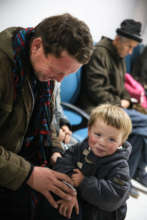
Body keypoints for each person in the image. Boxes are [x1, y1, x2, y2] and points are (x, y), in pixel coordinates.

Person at [0, 13, 93, 219]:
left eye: (66, 74)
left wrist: (56, 151)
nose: (59, 80)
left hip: (29, 157)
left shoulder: (44, 73)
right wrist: (29, 174)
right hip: (10, 168)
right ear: (37, 46)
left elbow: (47, 120)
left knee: (85, 201)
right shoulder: (4, 68)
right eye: (56, 70)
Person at [77, 19, 147, 198]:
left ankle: (130, 174)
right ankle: (130, 175)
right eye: (129, 47)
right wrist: (120, 103)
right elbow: (95, 90)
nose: (131, 51)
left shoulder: (120, 57)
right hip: (97, 107)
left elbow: (121, 88)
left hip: (113, 105)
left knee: (141, 131)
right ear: (118, 39)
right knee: (145, 124)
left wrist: (128, 101)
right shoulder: (100, 52)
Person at [51, 104, 132, 220]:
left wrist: (84, 182)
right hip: (79, 203)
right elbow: (63, 162)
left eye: (112, 139)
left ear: (121, 142)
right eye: (98, 134)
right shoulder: (80, 148)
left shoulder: (120, 166)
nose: (102, 142)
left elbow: (115, 197)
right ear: (89, 130)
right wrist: (70, 188)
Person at [52, 82, 78, 151]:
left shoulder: (56, 83)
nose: (61, 79)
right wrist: (55, 133)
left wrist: (64, 125)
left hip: (57, 131)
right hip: (47, 135)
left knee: (78, 149)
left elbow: (58, 109)